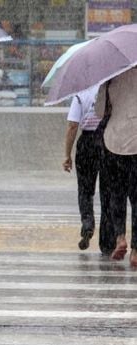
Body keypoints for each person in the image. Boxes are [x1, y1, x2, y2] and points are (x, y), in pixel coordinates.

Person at [63, 84, 114, 254]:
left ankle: (87, 224)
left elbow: (72, 126)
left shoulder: (80, 93)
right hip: (108, 142)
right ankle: (107, 242)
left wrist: (67, 155)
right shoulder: (111, 88)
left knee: (85, 190)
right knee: (108, 193)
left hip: (86, 144)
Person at [95, 68, 137, 266]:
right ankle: (136, 250)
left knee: (117, 193)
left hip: (115, 141)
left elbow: (99, 112)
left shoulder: (109, 78)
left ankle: (120, 237)